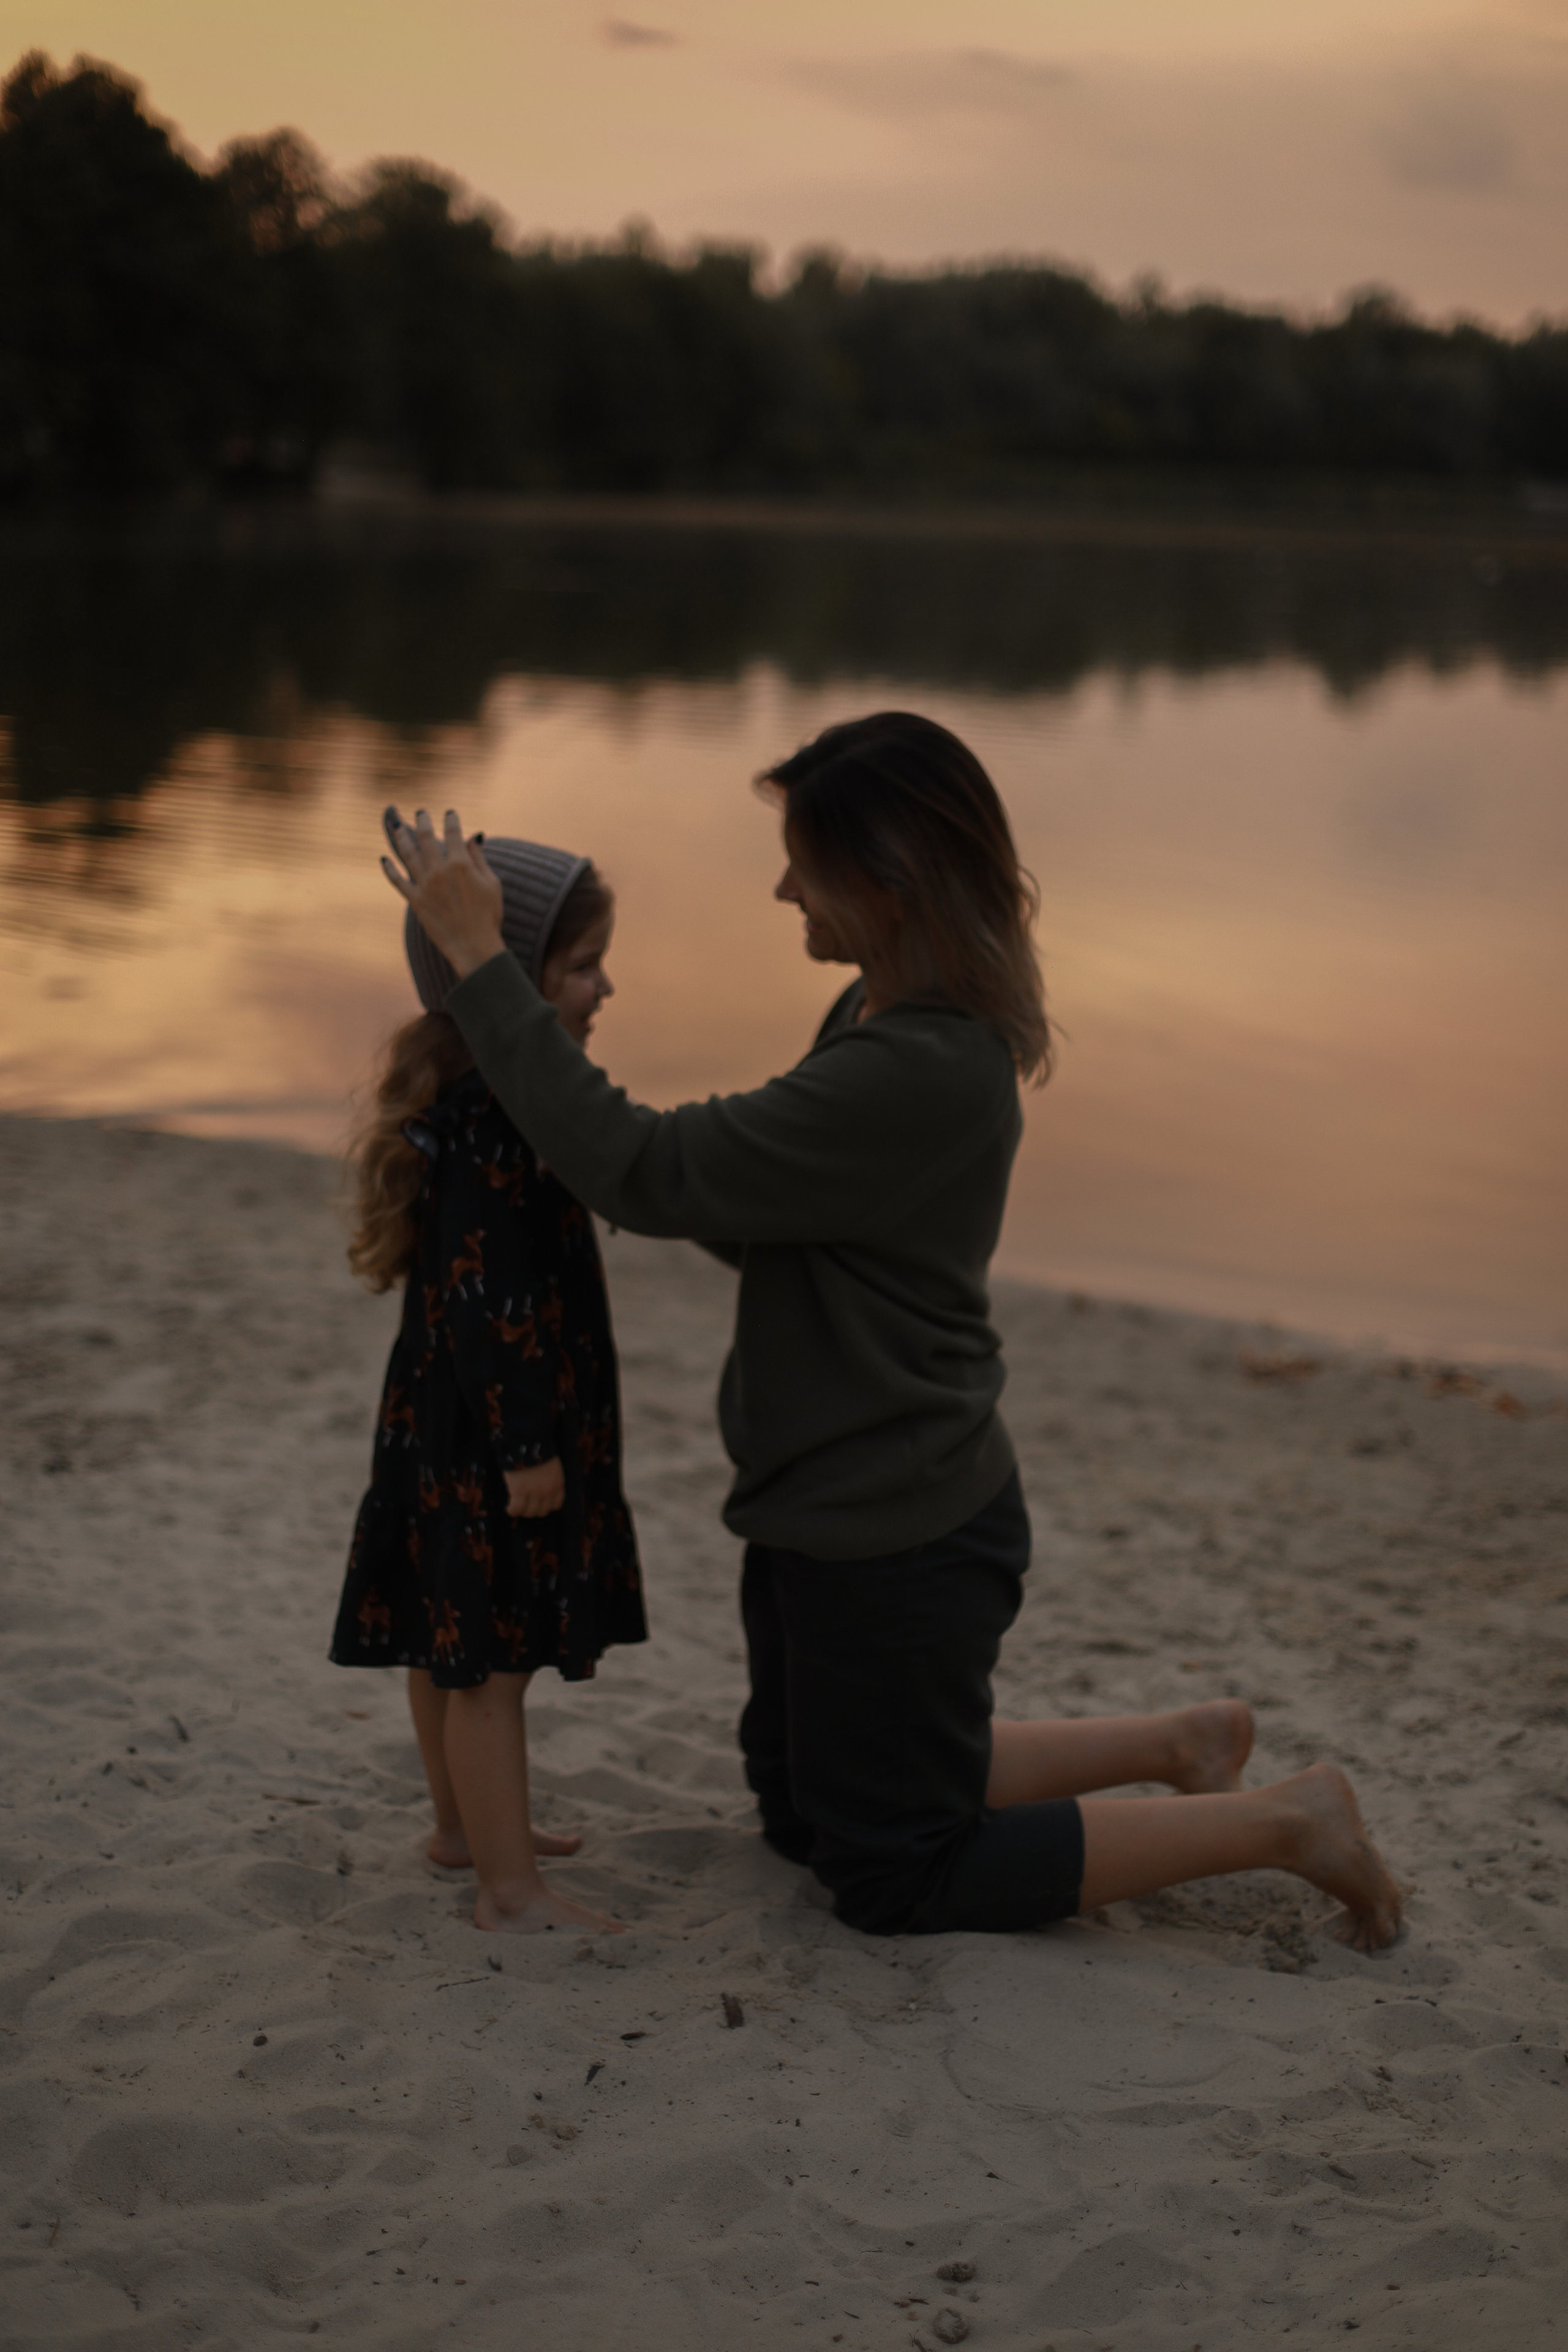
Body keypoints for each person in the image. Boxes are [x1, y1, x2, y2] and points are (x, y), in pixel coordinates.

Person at [379, 713, 1402, 1954]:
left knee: (894, 1875)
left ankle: (1287, 1823)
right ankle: (1175, 1744)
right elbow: (740, 1206)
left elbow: (648, 1172)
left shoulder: (922, 1068)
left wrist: (489, 975)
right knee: (805, 1812)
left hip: (897, 1523)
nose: (778, 888)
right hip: (820, 1502)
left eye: (801, 863)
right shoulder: (869, 1012)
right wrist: (620, 1162)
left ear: (884, 880)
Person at [332, 837, 646, 1936]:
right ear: (509, 981)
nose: (607, 987)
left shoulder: (479, 1096)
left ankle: (462, 1829)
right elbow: (491, 1297)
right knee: (492, 1667)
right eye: (584, 966)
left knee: (442, 1636)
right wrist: (529, 1448)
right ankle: (508, 1893)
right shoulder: (500, 1124)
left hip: (441, 1419)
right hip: (489, 1435)